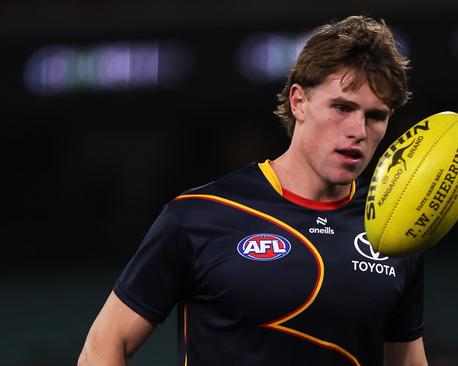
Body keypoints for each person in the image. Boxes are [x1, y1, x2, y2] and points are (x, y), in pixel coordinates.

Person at [78, 15, 428, 366]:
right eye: (342, 107)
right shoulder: (199, 215)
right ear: (298, 102)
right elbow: (104, 346)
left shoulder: (393, 226)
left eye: (375, 116)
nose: (358, 130)